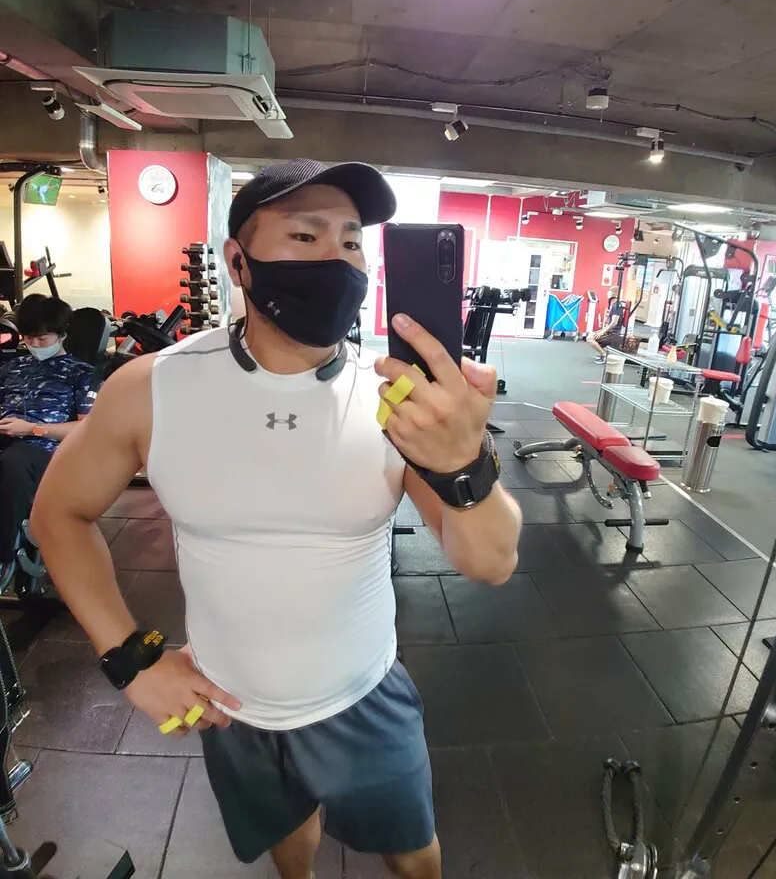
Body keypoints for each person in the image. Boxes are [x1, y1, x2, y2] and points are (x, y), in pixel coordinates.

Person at [31, 158, 523, 879]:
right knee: (289, 841)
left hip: (363, 695)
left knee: (415, 855)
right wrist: (129, 658)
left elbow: (492, 561)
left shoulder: (394, 402)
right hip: (231, 704)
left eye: (351, 242)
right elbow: (58, 513)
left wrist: (464, 464)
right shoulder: (150, 389)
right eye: (305, 235)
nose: (338, 260)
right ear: (238, 262)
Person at [0, 294, 97, 585]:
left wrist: (32, 429)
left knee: (14, 462)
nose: (35, 344)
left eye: (42, 338)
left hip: (46, 451)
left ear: (62, 334)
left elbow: (87, 428)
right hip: (6, 441)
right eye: (29, 338)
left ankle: (3, 557)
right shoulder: (10, 369)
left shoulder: (82, 373)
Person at [585, 289, 624, 363]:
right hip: (611, 332)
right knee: (591, 334)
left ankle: (605, 355)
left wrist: (602, 332)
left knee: (590, 339)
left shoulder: (617, 306)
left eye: (610, 292)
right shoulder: (614, 305)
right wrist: (601, 331)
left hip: (614, 334)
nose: (608, 294)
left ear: (614, 294)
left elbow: (614, 322)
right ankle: (603, 354)